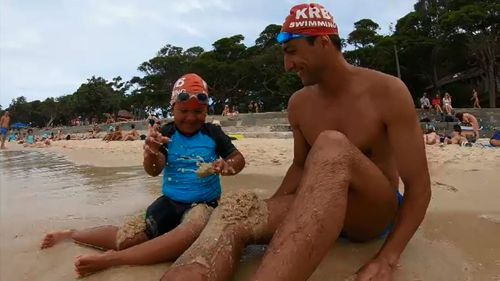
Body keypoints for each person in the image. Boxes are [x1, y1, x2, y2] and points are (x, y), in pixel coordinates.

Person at [161, 3, 431, 281]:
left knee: (331, 146)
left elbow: (419, 187)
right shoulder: (299, 104)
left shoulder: (387, 92)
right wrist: (263, 214)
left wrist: (387, 258)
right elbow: (301, 167)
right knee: (234, 215)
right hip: (320, 204)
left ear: (323, 43)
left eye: (292, 52)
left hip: (372, 213)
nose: (287, 66)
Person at [40, 73, 246, 277]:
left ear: (206, 110)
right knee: (129, 237)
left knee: (195, 226)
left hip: (205, 204)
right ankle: (72, 234)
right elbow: (154, 170)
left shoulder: (212, 133)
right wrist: (151, 153)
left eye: (198, 111)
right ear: (172, 107)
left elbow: (238, 158)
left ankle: (114, 259)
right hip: (170, 202)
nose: (191, 118)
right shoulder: (166, 134)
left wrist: (228, 165)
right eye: (183, 110)